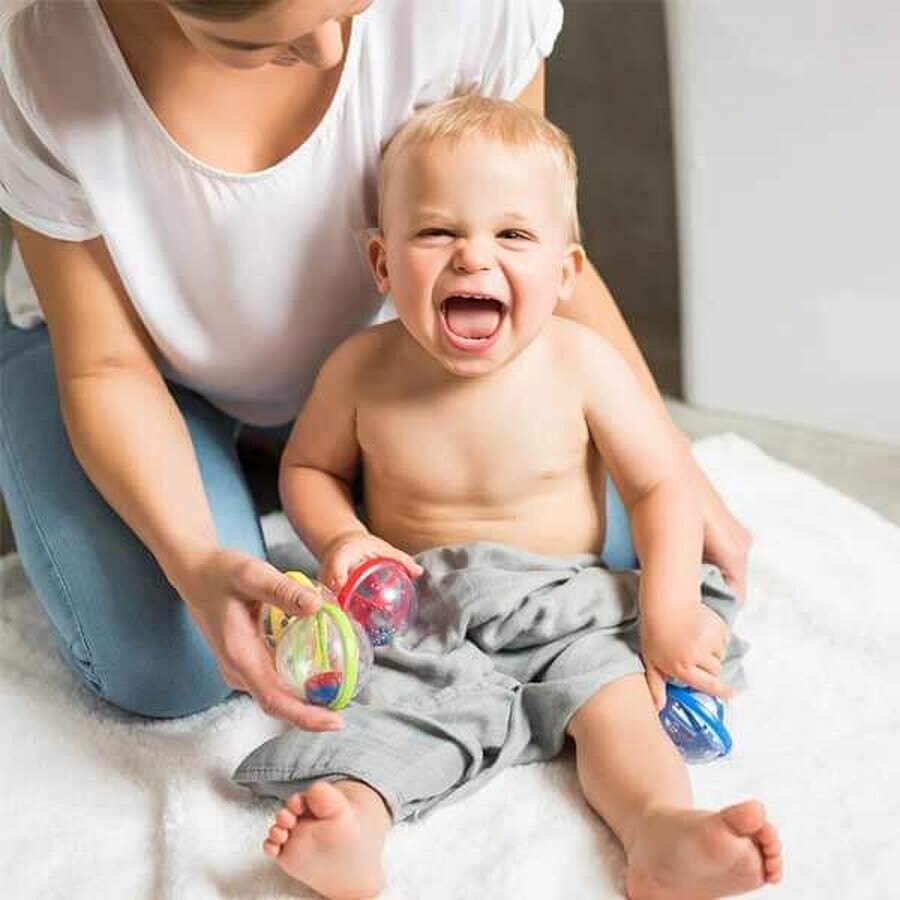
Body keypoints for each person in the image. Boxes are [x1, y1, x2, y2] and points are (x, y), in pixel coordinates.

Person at [0, 0, 750, 732]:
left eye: (352, 8)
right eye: (265, 39)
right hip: (131, 366)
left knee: (605, 549)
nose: (331, 51)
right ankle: (242, 465)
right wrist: (195, 559)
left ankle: (293, 455)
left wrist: (668, 458)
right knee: (179, 664)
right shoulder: (42, 55)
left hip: (387, 348)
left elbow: (530, 246)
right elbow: (105, 367)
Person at [234, 95, 782, 900]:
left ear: (565, 273)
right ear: (384, 263)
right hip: (416, 612)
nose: (472, 258)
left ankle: (662, 834)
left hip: (563, 604)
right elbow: (307, 472)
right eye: (437, 232)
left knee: (620, 701)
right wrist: (342, 539)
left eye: (513, 234)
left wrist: (665, 608)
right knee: (389, 708)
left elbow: (662, 483)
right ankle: (354, 827)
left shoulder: (584, 363)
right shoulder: (360, 370)